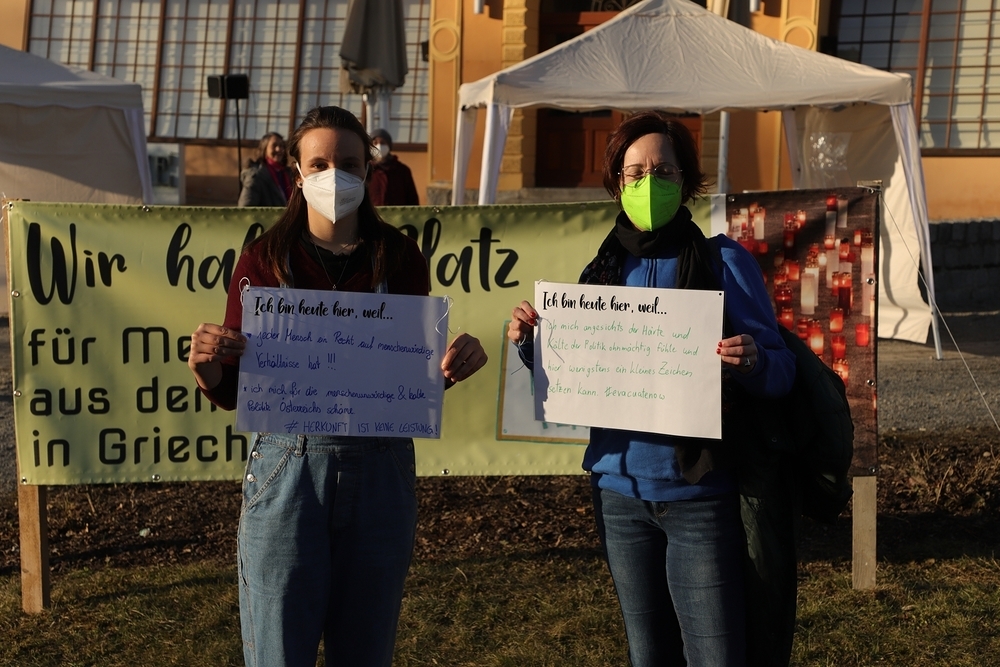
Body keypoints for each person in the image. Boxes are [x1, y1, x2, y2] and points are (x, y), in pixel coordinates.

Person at [188, 106, 488, 667]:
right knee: (279, 652)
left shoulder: (400, 258)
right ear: (297, 173)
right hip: (287, 469)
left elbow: (402, 379)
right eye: (320, 164)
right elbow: (233, 390)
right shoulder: (262, 259)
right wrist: (206, 366)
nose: (334, 175)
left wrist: (447, 369)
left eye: (349, 163)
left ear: (369, 170)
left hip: (380, 470)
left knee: (365, 651)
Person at [506, 111, 797, 667]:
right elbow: (576, 372)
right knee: (648, 654)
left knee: (715, 655)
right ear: (617, 183)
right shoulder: (601, 271)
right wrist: (532, 343)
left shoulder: (723, 261)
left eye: (663, 170)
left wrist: (755, 361)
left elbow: (782, 371)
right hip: (619, 496)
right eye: (635, 172)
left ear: (685, 181)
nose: (648, 183)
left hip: (700, 497)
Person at [238, 132, 294, 207]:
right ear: (264, 149)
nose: (278, 149)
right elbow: (246, 208)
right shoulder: (256, 176)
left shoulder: (288, 174)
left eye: (281, 146)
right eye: (274, 145)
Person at [368, 128, 420, 206]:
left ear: (389, 146)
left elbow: (412, 200)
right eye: (375, 143)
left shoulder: (402, 171)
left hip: (397, 213)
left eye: (383, 143)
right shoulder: (366, 170)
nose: (379, 146)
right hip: (371, 214)